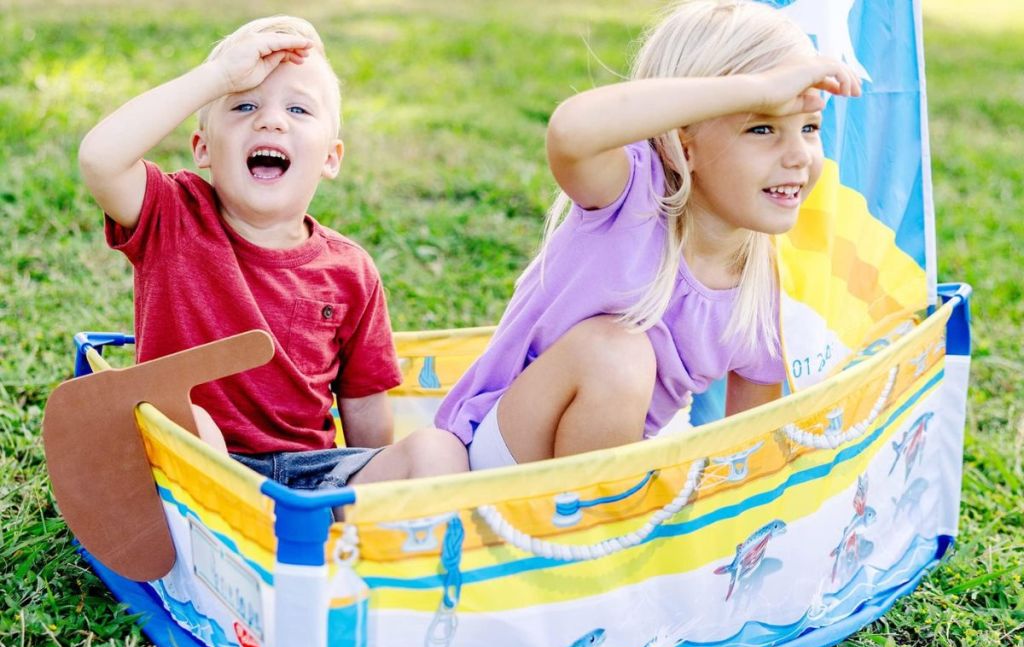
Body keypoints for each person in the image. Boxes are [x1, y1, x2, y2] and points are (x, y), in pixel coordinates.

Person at [435, 0, 861, 470]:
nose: (799, 154)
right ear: (684, 142)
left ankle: (603, 523)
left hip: (609, 480)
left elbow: (751, 447)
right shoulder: (633, 196)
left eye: (809, 127)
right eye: (761, 126)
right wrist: (755, 88)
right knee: (617, 353)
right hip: (496, 457)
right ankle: (586, 529)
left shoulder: (771, 284)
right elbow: (571, 131)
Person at [79, 15, 468, 492]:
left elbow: (364, 401)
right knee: (191, 420)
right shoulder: (172, 215)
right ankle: (246, 534)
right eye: (243, 104)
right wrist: (219, 77)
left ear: (330, 157)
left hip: (312, 477)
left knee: (438, 449)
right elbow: (101, 157)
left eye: (299, 111)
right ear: (202, 148)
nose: (270, 119)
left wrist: (375, 482)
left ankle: (364, 541)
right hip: (197, 469)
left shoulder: (350, 270)